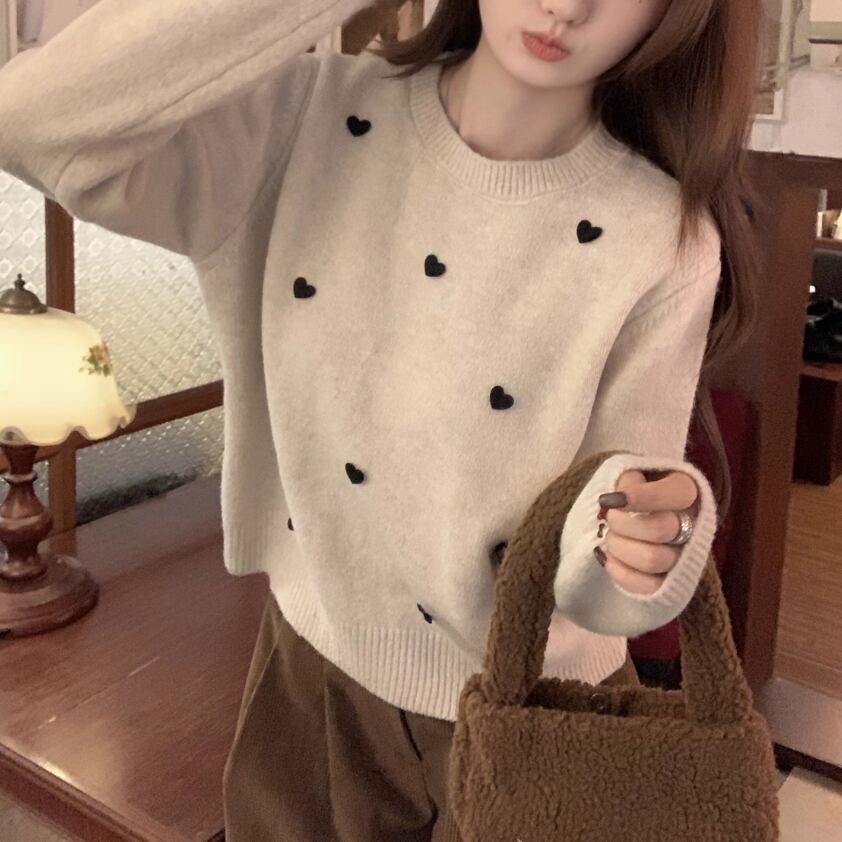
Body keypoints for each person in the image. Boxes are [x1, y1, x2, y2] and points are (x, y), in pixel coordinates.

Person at [0, 0, 762, 839]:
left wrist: (641, 542)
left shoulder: (662, 234)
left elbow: (608, 552)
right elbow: (30, 122)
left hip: (537, 717)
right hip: (310, 686)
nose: (566, 5)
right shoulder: (301, 123)